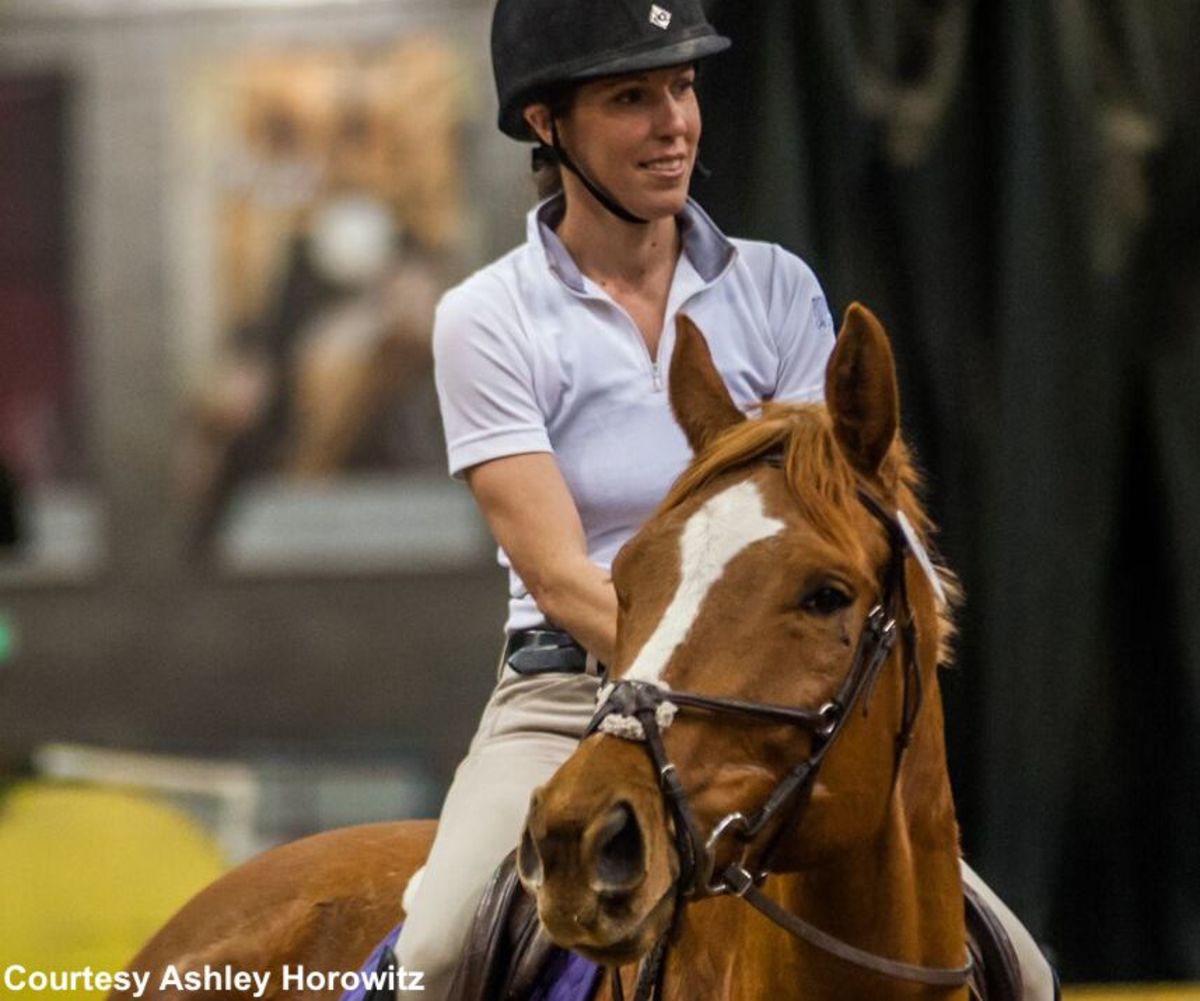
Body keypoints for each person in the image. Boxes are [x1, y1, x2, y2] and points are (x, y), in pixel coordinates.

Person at [394, 2, 1057, 999]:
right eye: (631, 97)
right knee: (439, 952)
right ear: (545, 123)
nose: (674, 123)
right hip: (569, 696)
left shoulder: (775, 287)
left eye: (683, 87)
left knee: (1026, 973)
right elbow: (560, 574)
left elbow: (832, 513)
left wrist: (749, 688)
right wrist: (671, 689)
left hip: (762, 706)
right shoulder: (486, 318)